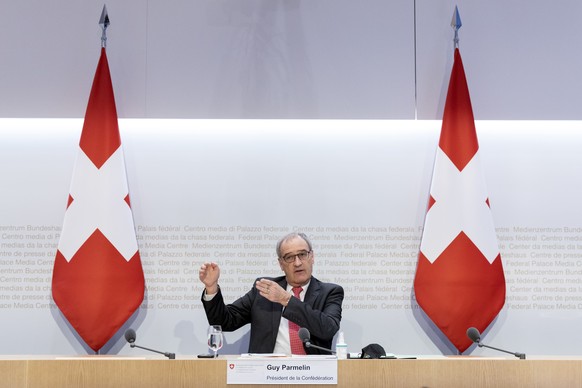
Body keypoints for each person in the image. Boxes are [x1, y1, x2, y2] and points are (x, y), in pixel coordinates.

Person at [199, 232, 344, 354]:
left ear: (312, 257)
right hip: (267, 374)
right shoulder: (264, 289)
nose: (298, 262)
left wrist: (287, 300)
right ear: (281, 264)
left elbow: (328, 329)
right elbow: (224, 322)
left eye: (302, 254)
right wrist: (212, 288)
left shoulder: (330, 292)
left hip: (314, 375)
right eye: (289, 257)